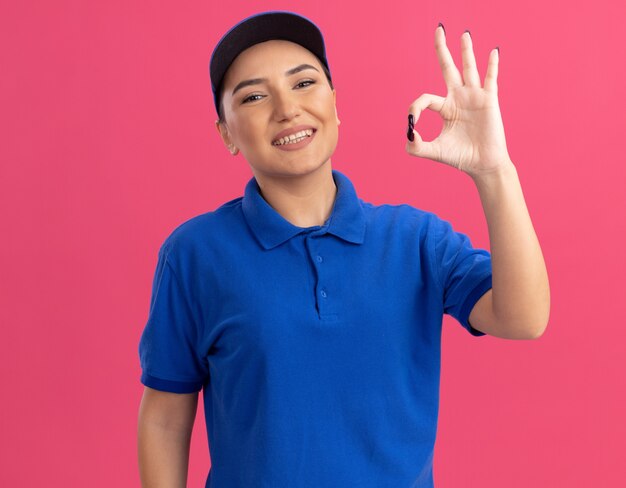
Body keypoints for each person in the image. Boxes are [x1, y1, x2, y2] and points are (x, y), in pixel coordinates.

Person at [137, 10, 550, 488]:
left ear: (335, 104)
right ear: (226, 133)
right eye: (253, 96)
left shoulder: (414, 241)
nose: (287, 109)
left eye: (303, 83)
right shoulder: (194, 255)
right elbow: (165, 419)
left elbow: (525, 318)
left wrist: (494, 170)